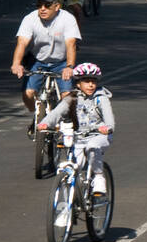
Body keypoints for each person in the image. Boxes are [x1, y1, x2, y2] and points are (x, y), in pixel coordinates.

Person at [38, 62, 114, 208]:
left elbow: (109, 117)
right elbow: (56, 113)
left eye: (93, 81)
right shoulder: (71, 98)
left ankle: (98, 177)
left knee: (92, 147)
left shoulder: (101, 98)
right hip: (79, 137)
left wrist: (108, 127)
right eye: (86, 81)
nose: (91, 85)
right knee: (74, 167)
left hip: (99, 136)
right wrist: (45, 123)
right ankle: (66, 206)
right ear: (78, 84)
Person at [10, 0, 80, 125]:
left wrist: (69, 67)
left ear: (57, 6)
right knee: (27, 94)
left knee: (67, 97)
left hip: (62, 61)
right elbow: (22, 42)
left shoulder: (67, 19)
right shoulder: (30, 19)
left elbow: (71, 44)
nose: (42, 9)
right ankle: (37, 117)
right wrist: (16, 64)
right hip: (37, 60)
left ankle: (72, 121)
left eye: (47, 5)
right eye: (39, 5)